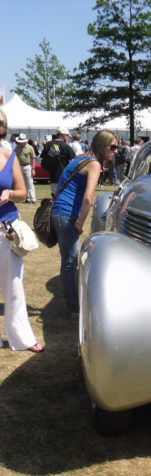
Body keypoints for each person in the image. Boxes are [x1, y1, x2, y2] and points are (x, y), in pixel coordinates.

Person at [50, 129, 118, 315]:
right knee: (70, 262)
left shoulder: (81, 159)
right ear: (102, 146)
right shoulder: (93, 163)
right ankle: (74, 308)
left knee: (69, 261)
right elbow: (88, 199)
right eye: (112, 147)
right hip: (67, 215)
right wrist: (80, 222)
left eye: (117, 147)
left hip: (59, 213)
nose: (116, 151)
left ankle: (72, 302)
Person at [0, 109, 43, 352]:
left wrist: (9, 194)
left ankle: (22, 338)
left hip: (6, 228)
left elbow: (22, 192)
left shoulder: (9, 156)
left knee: (13, 285)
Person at [40, 128, 75, 195]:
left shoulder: (48, 145)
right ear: (64, 135)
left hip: (53, 176)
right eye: (67, 136)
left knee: (55, 196)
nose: (67, 138)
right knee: (63, 196)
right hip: (64, 176)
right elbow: (73, 161)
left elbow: (43, 159)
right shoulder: (66, 147)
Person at [14, 133, 37, 204]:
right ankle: (27, 198)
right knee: (22, 183)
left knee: (30, 182)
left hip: (27, 166)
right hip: (19, 166)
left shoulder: (30, 147)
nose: (21, 144)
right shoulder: (16, 148)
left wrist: (33, 169)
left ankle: (33, 198)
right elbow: (14, 158)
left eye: (22, 142)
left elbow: (33, 158)